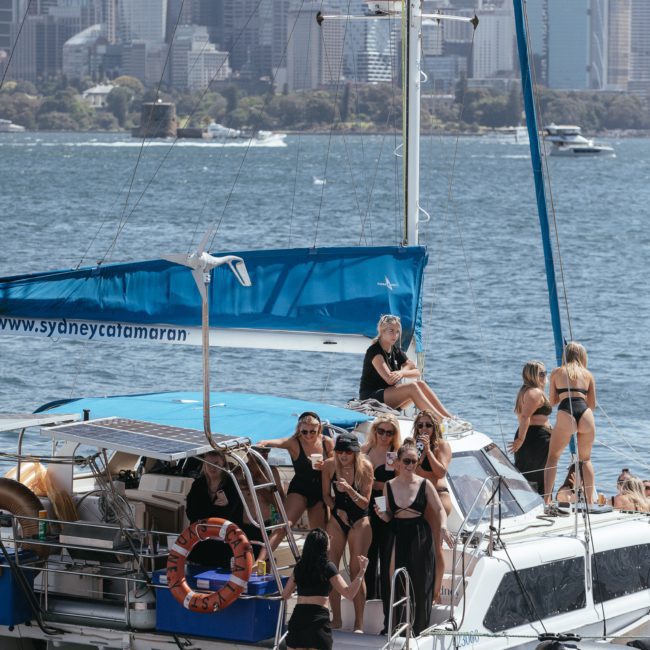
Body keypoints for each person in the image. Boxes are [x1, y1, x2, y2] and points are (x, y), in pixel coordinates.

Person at [374, 439, 453, 635]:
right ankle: (394, 627)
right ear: (398, 463)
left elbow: (439, 509)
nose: (411, 465)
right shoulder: (388, 486)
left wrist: (443, 526)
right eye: (407, 461)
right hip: (396, 532)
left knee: (420, 582)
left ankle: (419, 629)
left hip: (419, 533)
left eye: (414, 461)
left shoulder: (425, 484)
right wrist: (381, 514)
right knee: (393, 580)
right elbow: (387, 516)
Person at [257, 412, 334, 562]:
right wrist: (265, 443)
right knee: (283, 526)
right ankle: (259, 561)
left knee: (318, 534)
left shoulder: (327, 442)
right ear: (299, 429)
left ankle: (318, 566)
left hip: (319, 492)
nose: (308, 435)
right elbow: (279, 441)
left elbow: (335, 462)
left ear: (319, 429)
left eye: (313, 431)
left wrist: (326, 465)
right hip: (300, 488)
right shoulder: (294, 442)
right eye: (304, 431)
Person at [282, 528, 369, 649]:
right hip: (317, 620)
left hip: (298, 618)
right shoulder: (327, 567)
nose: (331, 539)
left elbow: (285, 595)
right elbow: (349, 594)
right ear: (323, 546)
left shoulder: (300, 566)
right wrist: (362, 571)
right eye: (328, 539)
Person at [322, 432, 373, 632]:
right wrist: (336, 509)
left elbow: (365, 502)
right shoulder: (328, 466)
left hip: (360, 519)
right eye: (340, 452)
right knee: (331, 568)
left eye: (348, 452)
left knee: (356, 570)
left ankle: (359, 623)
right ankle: (336, 619)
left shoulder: (365, 467)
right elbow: (325, 496)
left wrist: (349, 490)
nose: (343, 456)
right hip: (338, 517)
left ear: (355, 453)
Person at [358, 314, 452, 422]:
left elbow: (417, 372)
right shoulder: (375, 351)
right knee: (412, 387)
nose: (395, 335)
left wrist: (402, 372)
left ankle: (450, 418)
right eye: (391, 331)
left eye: (397, 331)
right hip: (371, 399)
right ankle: (440, 421)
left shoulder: (395, 350)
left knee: (420, 384)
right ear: (382, 331)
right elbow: (389, 379)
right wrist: (405, 370)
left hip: (387, 397)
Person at [360, 414, 401, 630]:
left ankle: (387, 615)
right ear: (375, 431)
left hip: (385, 507)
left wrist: (374, 484)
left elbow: (395, 483)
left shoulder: (394, 454)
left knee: (385, 560)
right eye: (381, 431)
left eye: (390, 432)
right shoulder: (364, 450)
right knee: (367, 557)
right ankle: (366, 606)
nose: (385, 436)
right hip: (366, 506)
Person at [544, 342, 597, 505]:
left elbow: (552, 401)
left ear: (565, 356)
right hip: (585, 414)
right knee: (586, 460)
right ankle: (590, 502)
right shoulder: (588, 374)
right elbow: (593, 405)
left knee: (553, 457)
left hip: (566, 411)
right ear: (582, 356)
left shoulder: (557, 372)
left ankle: (547, 500)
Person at [185, 449, 244, 567]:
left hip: (224, 547)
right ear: (204, 465)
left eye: (216, 464)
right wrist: (215, 508)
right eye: (209, 464)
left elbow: (228, 515)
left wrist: (207, 512)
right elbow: (191, 513)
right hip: (200, 546)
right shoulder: (198, 484)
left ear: (223, 465)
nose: (213, 467)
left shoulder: (231, 484)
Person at [508, 361, 552, 497]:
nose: (545, 376)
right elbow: (526, 416)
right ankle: (539, 503)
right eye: (541, 373)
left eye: (545, 372)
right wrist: (521, 439)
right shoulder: (535, 393)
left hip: (532, 436)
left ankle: (528, 503)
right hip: (535, 438)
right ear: (533, 375)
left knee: (529, 474)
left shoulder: (526, 391)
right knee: (537, 475)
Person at [413, 410, 453, 515]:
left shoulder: (441, 445)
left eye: (428, 425)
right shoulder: (413, 445)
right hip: (417, 496)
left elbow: (441, 473)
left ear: (434, 427)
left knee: (434, 531)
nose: (424, 428)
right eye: (420, 425)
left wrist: (428, 451)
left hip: (437, 495)